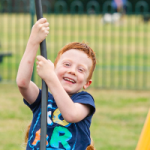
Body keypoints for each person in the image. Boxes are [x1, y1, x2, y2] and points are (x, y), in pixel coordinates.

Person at [16, 18, 96, 150]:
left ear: (87, 83)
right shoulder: (42, 100)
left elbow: (70, 114)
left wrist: (51, 78)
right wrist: (33, 42)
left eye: (80, 69)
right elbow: (23, 83)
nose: (72, 71)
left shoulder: (84, 101)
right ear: (54, 68)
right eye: (67, 64)